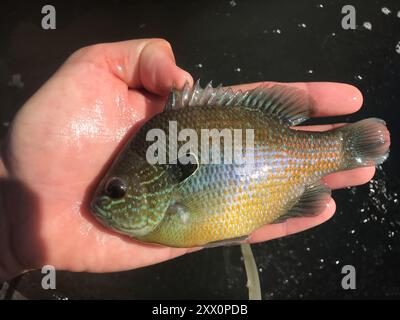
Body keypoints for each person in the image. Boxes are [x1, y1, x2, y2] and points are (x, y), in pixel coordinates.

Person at [0, 38, 373, 282]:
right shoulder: (162, 188)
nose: (102, 201)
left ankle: (342, 148)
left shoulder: (165, 185)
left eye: (117, 189)